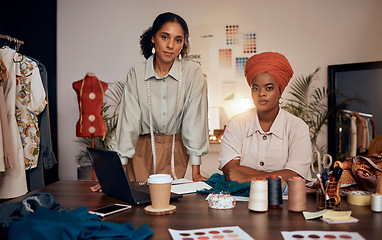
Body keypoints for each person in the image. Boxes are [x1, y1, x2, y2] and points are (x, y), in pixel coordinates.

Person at [108, 12, 209, 184]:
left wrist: (196, 171)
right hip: (140, 149)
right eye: (165, 37)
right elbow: (128, 123)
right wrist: (116, 174)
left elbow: (195, 121)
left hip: (176, 149)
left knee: (173, 205)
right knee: (137, 205)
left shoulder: (193, 72)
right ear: (154, 38)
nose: (170, 45)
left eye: (178, 40)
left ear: (183, 43)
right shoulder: (136, 73)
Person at [219, 52, 312, 183]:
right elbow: (231, 170)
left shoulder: (297, 127)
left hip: (284, 201)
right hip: (242, 201)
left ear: (280, 91)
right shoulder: (236, 124)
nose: (261, 94)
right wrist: (279, 175)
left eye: (269, 88)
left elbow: (295, 174)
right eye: (255, 88)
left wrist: (247, 177)